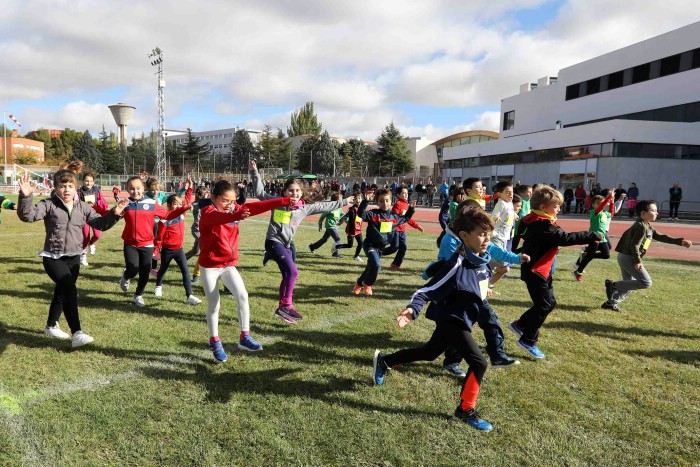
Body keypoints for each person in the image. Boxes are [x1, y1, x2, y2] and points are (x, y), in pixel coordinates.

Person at [371, 206, 497, 431]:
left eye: (488, 233)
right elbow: (427, 290)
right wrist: (412, 310)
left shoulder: (481, 260)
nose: (486, 238)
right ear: (464, 236)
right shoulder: (456, 264)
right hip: (452, 320)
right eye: (481, 233)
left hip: (462, 319)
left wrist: (484, 289)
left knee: (430, 353)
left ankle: (385, 361)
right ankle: (465, 410)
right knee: (479, 363)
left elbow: (479, 278)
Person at [16, 172, 128, 348]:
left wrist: (115, 213)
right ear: (55, 187)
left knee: (62, 291)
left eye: (70, 186)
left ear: (76, 187)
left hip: (74, 257)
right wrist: (25, 196)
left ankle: (51, 325)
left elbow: (101, 224)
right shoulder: (49, 204)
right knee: (69, 289)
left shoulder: (83, 207)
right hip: (53, 257)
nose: (66, 189)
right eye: (62, 185)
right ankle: (77, 333)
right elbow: (27, 215)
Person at [423, 198, 528, 373]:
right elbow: (455, 270)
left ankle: (497, 355)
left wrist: (517, 258)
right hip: (457, 296)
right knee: (459, 331)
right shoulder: (450, 241)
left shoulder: (481, 239)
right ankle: (452, 361)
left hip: (476, 292)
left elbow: (497, 251)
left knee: (491, 321)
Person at [198, 179, 292, 362]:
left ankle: (244, 337)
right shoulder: (208, 213)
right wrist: (235, 216)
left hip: (228, 265)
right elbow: (220, 218)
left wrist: (284, 201)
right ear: (213, 197)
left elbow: (259, 206)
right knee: (214, 303)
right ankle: (215, 341)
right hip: (210, 266)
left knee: (242, 295)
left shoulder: (234, 211)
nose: (229, 205)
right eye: (225, 200)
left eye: (232, 201)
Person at [250, 161, 353, 324]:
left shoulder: (304, 207)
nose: (294, 193)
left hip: (286, 244)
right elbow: (260, 192)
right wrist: (255, 172)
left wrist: (345, 202)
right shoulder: (277, 201)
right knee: (293, 272)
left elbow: (325, 206)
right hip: (273, 242)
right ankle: (286, 305)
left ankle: (282, 308)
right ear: (285, 191)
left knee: (287, 274)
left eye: (297, 190)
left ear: (301, 192)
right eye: (291, 190)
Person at [509, 186, 601, 359]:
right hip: (535, 271)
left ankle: (520, 324)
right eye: (556, 206)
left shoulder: (538, 219)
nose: (559, 208)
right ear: (543, 207)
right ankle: (528, 339)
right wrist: (591, 235)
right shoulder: (542, 224)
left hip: (540, 270)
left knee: (548, 303)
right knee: (544, 305)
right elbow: (564, 238)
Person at [602, 200, 692, 312]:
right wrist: (637, 261)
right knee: (646, 282)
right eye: (653, 210)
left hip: (626, 256)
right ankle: (613, 285)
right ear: (643, 213)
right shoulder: (641, 226)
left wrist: (680, 242)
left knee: (629, 284)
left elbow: (660, 236)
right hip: (629, 257)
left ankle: (610, 304)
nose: (657, 213)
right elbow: (634, 245)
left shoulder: (647, 225)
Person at [118, 176, 191, 307]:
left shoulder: (152, 203)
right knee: (133, 269)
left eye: (138, 188)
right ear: (128, 190)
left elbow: (167, 215)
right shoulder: (125, 203)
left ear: (143, 188)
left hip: (147, 243)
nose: (135, 191)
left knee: (145, 272)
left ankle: (138, 295)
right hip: (130, 243)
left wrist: (183, 208)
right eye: (132, 189)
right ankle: (126, 276)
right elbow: (112, 215)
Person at [353, 189, 415, 296]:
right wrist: (365, 202)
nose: (384, 203)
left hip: (380, 248)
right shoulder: (373, 214)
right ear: (377, 202)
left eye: (387, 201)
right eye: (381, 201)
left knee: (370, 267)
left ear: (391, 201)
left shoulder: (394, 217)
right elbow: (361, 214)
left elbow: (406, 218)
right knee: (377, 265)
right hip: (370, 245)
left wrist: (411, 209)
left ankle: (359, 283)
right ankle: (367, 283)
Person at [153, 183, 202, 305]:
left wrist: (189, 189)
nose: (179, 206)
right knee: (163, 269)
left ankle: (189, 295)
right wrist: (156, 250)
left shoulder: (181, 215)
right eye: (175, 204)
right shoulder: (164, 220)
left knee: (185, 271)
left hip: (179, 249)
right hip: (167, 250)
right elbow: (159, 237)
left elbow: (186, 202)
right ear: (169, 205)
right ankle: (158, 286)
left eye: (179, 204)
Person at [572, 190, 624, 282]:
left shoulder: (605, 213)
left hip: (602, 237)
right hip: (594, 236)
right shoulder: (594, 212)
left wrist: (612, 201)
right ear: (593, 205)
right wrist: (608, 198)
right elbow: (601, 207)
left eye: (601, 203)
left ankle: (586, 254)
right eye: (597, 203)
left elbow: (611, 213)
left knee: (606, 255)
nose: (600, 204)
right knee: (590, 256)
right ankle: (578, 272)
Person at [383, 186, 424, 270]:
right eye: (403, 193)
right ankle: (378, 252)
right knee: (394, 247)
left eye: (406, 193)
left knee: (403, 247)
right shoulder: (397, 204)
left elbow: (408, 218)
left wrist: (417, 226)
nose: (406, 195)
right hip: (396, 230)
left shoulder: (406, 204)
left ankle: (395, 264)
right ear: (398, 195)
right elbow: (394, 218)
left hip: (402, 231)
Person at [78, 172, 109, 266]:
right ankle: (83, 256)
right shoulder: (79, 192)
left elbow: (102, 201)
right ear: (83, 181)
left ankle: (91, 244)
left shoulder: (96, 190)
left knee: (97, 235)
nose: (89, 183)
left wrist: (96, 204)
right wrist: (84, 205)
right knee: (85, 237)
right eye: (87, 181)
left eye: (91, 181)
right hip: (84, 217)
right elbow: (76, 204)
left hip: (95, 216)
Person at [488, 181, 515, 286]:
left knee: (504, 267)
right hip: (497, 236)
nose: (511, 194)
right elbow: (494, 215)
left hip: (505, 237)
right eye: (507, 192)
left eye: (512, 192)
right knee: (503, 263)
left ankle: (489, 284)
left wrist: (515, 215)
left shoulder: (510, 204)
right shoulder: (501, 203)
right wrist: (495, 217)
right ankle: (482, 262)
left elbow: (509, 214)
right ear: (499, 194)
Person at [185, 186, 209, 285]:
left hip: (202, 230)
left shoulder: (204, 203)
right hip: (197, 230)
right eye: (206, 193)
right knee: (205, 250)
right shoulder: (197, 204)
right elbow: (192, 205)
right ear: (203, 194)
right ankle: (196, 276)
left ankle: (181, 259)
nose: (207, 194)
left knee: (195, 250)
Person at [308, 192, 344, 257]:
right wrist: (320, 224)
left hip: (334, 227)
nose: (342, 200)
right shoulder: (331, 207)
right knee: (338, 239)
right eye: (340, 199)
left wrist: (349, 221)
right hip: (330, 226)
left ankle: (312, 247)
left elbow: (343, 216)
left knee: (324, 239)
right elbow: (323, 216)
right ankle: (335, 253)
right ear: (336, 200)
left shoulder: (339, 208)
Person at [336, 191, 364, 262]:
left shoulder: (361, 208)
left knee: (361, 243)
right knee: (350, 245)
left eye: (360, 198)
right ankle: (337, 247)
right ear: (354, 200)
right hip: (351, 230)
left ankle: (356, 256)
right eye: (357, 198)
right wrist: (340, 222)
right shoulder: (352, 209)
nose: (358, 200)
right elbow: (345, 216)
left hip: (358, 230)